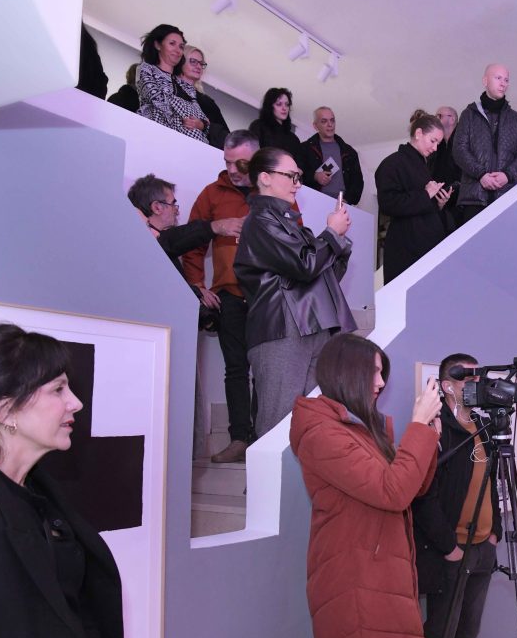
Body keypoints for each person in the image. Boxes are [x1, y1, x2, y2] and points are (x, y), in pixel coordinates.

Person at [0, 323, 125, 638]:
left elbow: (72, 602)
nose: (75, 403)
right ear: (4, 410)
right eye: (58, 389)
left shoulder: (40, 490)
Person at [289, 333, 443, 638]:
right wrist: (417, 427)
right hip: (356, 583)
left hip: (381, 577)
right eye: (374, 372)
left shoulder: (360, 429)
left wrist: (429, 436)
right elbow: (393, 492)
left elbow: (411, 489)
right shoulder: (322, 433)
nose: (381, 382)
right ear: (347, 373)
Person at [233, 147, 356, 437]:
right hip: (282, 327)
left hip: (312, 324)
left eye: (298, 177)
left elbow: (326, 274)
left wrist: (337, 239)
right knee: (278, 424)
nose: (297, 184)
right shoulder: (260, 221)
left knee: (313, 424)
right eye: (291, 176)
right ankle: (266, 471)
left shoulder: (290, 224)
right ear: (265, 178)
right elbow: (305, 265)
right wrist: (330, 234)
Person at [183, 130, 286, 463]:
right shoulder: (211, 194)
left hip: (268, 297)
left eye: (239, 162)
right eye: (227, 162)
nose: (232, 169)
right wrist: (197, 285)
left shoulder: (275, 190)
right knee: (236, 370)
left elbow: (293, 240)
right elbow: (192, 242)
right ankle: (239, 438)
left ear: (256, 160)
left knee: (266, 369)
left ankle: (263, 440)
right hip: (228, 296)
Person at [411, 354, 500, 638]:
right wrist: (448, 546)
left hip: (483, 547)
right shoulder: (437, 429)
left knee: (467, 636)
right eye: (468, 378)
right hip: (453, 549)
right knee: (440, 636)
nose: (477, 384)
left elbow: (491, 481)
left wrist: (495, 533)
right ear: (447, 386)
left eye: (479, 378)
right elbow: (423, 495)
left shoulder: (483, 426)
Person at [376, 111, 452, 284]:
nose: (435, 148)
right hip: (406, 249)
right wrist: (426, 194)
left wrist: (438, 204)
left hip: (427, 248)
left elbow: (420, 205)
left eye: (438, 143)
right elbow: (388, 204)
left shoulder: (423, 165)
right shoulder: (392, 164)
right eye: (433, 141)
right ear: (418, 133)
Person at [452, 64, 517, 225]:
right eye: (498, 78)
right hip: (474, 199)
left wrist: (507, 175)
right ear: (485, 81)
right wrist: (481, 175)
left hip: (507, 197)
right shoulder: (469, 115)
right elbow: (459, 149)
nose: (503, 83)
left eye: (506, 80)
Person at [127, 174, 242, 276]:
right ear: (157, 207)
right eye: (173, 204)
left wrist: (195, 289)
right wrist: (214, 227)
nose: (176, 211)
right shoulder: (143, 245)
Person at [136, 24, 209, 144]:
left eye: (181, 46)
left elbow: (204, 120)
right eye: (172, 43)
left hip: (190, 145)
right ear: (157, 45)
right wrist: (186, 116)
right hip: (154, 136)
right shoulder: (146, 69)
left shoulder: (185, 85)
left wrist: (200, 124)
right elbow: (158, 102)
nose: (177, 50)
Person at [300, 107, 365, 204]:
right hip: (313, 202)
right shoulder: (304, 148)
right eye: (324, 121)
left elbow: (357, 181)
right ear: (315, 126)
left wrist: (347, 200)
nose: (330, 124)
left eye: (332, 120)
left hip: (342, 203)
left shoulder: (349, 152)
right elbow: (296, 176)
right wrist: (315, 176)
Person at [179, 45, 229, 149]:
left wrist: (204, 126)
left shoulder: (208, 102)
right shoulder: (167, 89)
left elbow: (226, 139)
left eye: (201, 63)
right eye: (193, 61)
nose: (198, 66)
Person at [430, 106, 462, 230]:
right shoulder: (437, 147)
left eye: (439, 116)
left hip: (461, 203)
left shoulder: (464, 139)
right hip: (442, 204)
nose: (435, 119)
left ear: (452, 119)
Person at [249, 88, 302, 161]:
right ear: (270, 106)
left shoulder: (294, 139)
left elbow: (297, 164)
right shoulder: (258, 126)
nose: (284, 108)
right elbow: (252, 155)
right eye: (279, 104)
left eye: (287, 104)